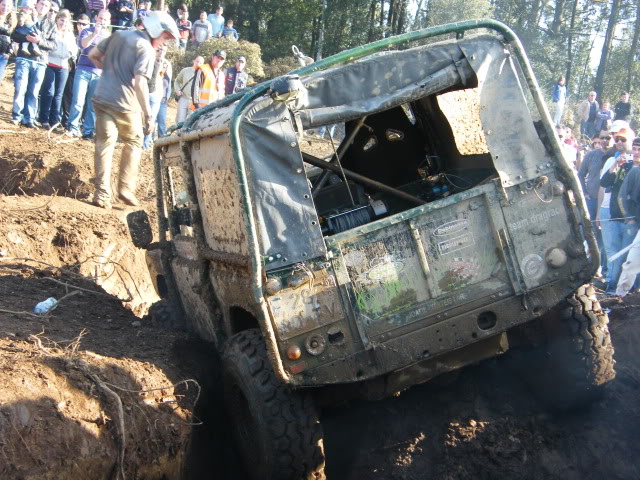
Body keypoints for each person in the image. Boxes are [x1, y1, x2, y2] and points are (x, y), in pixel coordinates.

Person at [88, 10, 178, 209]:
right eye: (165, 37)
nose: (165, 42)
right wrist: (148, 114)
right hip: (125, 103)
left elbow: (93, 55)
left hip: (102, 96)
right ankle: (125, 188)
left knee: (105, 143)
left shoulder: (119, 35)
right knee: (135, 140)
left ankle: (102, 194)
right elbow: (140, 84)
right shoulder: (146, 48)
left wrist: (112, 72)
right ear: (156, 30)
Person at [599, 126, 635, 295]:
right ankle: (612, 286)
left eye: (623, 140)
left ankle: (627, 291)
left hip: (632, 219)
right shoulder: (619, 162)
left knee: (629, 256)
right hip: (614, 215)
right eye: (617, 139)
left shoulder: (634, 167)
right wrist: (615, 164)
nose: (619, 142)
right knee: (613, 252)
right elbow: (604, 182)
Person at [10, 0, 56, 128]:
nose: (43, 7)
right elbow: (14, 35)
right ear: (36, 4)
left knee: (34, 92)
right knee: (20, 88)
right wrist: (26, 38)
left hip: (40, 62)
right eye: (41, 4)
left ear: (48, 9)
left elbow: (53, 45)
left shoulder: (51, 25)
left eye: (46, 6)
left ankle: (29, 118)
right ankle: (16, 116)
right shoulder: (25, 17)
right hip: (24, 58)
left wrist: (39, 41)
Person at [67, 8, 111, 139]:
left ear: (108, 22)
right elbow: (83, 45)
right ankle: (73, 127)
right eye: (100, 18)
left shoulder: (109, 36)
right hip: (83, 70)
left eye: (105, 19)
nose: (102, 21)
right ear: (96, 18)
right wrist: (95, 34)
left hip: (98, 74)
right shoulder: (87, 31)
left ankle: (88, 131)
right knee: (77, 101)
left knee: (92, 105)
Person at [37, 8, 76, 130]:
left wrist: (70, 55)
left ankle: (54, 120)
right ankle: (44, 119)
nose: (63, 23)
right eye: (61, 20)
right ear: (57, 19)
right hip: (50, 63)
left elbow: (74, 49)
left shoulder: (70, 34)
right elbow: (47, 45)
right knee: (48, 92)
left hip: (63, 66)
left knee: (58, 95)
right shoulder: (52, 31)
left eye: (65, 21)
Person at [615, 137, 640, 296]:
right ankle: (619, 297)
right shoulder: (636, 172)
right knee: (631, 263)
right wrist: (628, 217)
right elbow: (621, 197)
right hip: (637, 225)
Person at [61, 13, 89, 127]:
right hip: (72, 69)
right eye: (79, 23)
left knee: (83, 98)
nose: (81, 26)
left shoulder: (90, 37)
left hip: (84, 70)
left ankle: (81, 120)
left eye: (84, 24)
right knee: (68, 95)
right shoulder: (72, 36)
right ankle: (66, 119)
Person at [143, 43, 170, 150]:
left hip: (156, 94)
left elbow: (167, 80)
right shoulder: (148, 60)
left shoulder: (167, 64)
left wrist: (166, 95)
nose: (161, 52)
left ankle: (146, 143)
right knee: (142, 118)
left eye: (163, 50)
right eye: (159, 50)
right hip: (144, 92)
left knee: (152, 119)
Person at [173, 54, 203, 123]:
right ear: (194, 61)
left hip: (194, 102)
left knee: (191, 121)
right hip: (183, 98)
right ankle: (178, 133)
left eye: (200, 62)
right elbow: (177, 81)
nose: (198, 63)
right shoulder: (185, 71)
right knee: (180, 119)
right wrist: (177, 90)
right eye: (197, 61)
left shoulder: (203, 74)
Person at [0, 0, 16, 84]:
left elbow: (13, 39)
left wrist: (9, 52)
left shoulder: (12, 21)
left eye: (8, 6)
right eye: (3, 5)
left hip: (3, 55)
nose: (5, 8)